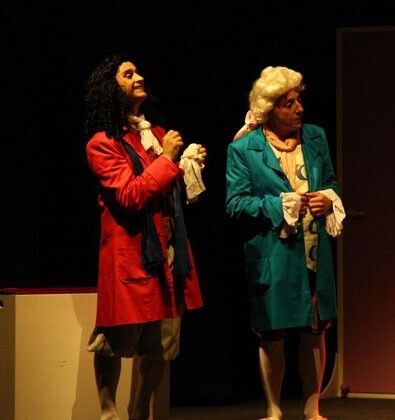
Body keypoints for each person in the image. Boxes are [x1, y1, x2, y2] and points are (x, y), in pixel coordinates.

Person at [84, 54, 206, 420]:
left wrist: (187, 164)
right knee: (114, 341)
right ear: (110, 88)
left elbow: (167, 188)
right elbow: (130, 195)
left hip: (167, 252)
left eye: (138, 71)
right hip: (132, 253)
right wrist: (168, 160)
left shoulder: (155, 135)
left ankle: (139, 412)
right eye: (128, 74)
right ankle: (109, 414)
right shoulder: (103, 143)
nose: (139, 77)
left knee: (161, 344)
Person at [226, 65, 345, 420]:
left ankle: (313, 409)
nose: (299, 108)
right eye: (288, 103)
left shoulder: (315, 138)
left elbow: (332, 183)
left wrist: (328, 199)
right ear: (269, 109)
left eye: (299, 100)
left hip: (313, 250)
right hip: (273, 253)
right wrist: (277, 206)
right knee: (273, 333)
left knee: (314, 329)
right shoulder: (245, 149)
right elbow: (235, 204)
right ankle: (274, 409)